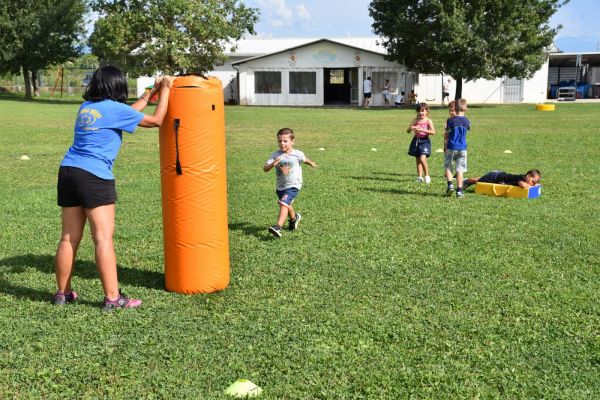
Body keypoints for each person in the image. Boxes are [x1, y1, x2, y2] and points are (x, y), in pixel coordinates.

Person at [54, 66, 173, 310]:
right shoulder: (114, 109)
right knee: (103, 239)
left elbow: (127, 113)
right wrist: (167, 90)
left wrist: (150, 91)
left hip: (68, 171)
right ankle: (113, 298)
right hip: (93, 175)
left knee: (68, 238)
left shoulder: (87, 108)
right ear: (117, 85)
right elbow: (157, 121)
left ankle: (62, 294)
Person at [264, 128, 317, 238]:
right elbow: (265, 168)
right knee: (287, 205)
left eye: (285, 141)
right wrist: (273, 164)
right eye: (280, 141)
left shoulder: (297, 154)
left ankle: (278, 227)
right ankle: (294, 219)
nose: (282, 143)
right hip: (280, 186)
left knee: (283, 203)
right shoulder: (275, 155)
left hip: (294, 185)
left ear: (292, 141)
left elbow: (304, 159)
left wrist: (311, 163)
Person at [444, 98, 470, 198]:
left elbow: (447, 132)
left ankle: (450, 185)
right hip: (463, 148)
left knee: (448, 166)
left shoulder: (450, 120)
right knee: (460, 170)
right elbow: (467, 128)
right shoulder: (467, 121)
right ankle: (459, 191)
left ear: (455, 108)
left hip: (451, 146)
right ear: (465, 109)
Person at [406, 103, 435, 183]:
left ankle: (427, 176)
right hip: (416, 141)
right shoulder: (415, 120)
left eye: (423, 111)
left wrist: (422, 130)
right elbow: (408, 131)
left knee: (423, 158)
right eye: (419, 111)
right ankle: (419, 177)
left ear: (426, 111)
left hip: (425, 141)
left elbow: (433, 132)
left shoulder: (428, 121)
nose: (421, 113)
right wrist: (411, 128)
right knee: (418, 160)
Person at [463, 170, 541, 190]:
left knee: (482, 179)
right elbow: (523, 185)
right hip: (495, 176)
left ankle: (468, 181)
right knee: (479, 182)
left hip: (497, 175)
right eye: (532, 182)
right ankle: (466, 181)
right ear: (528, 176)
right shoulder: (520, 179)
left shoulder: (523, 178)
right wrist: (532, 187)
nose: (532, 184)